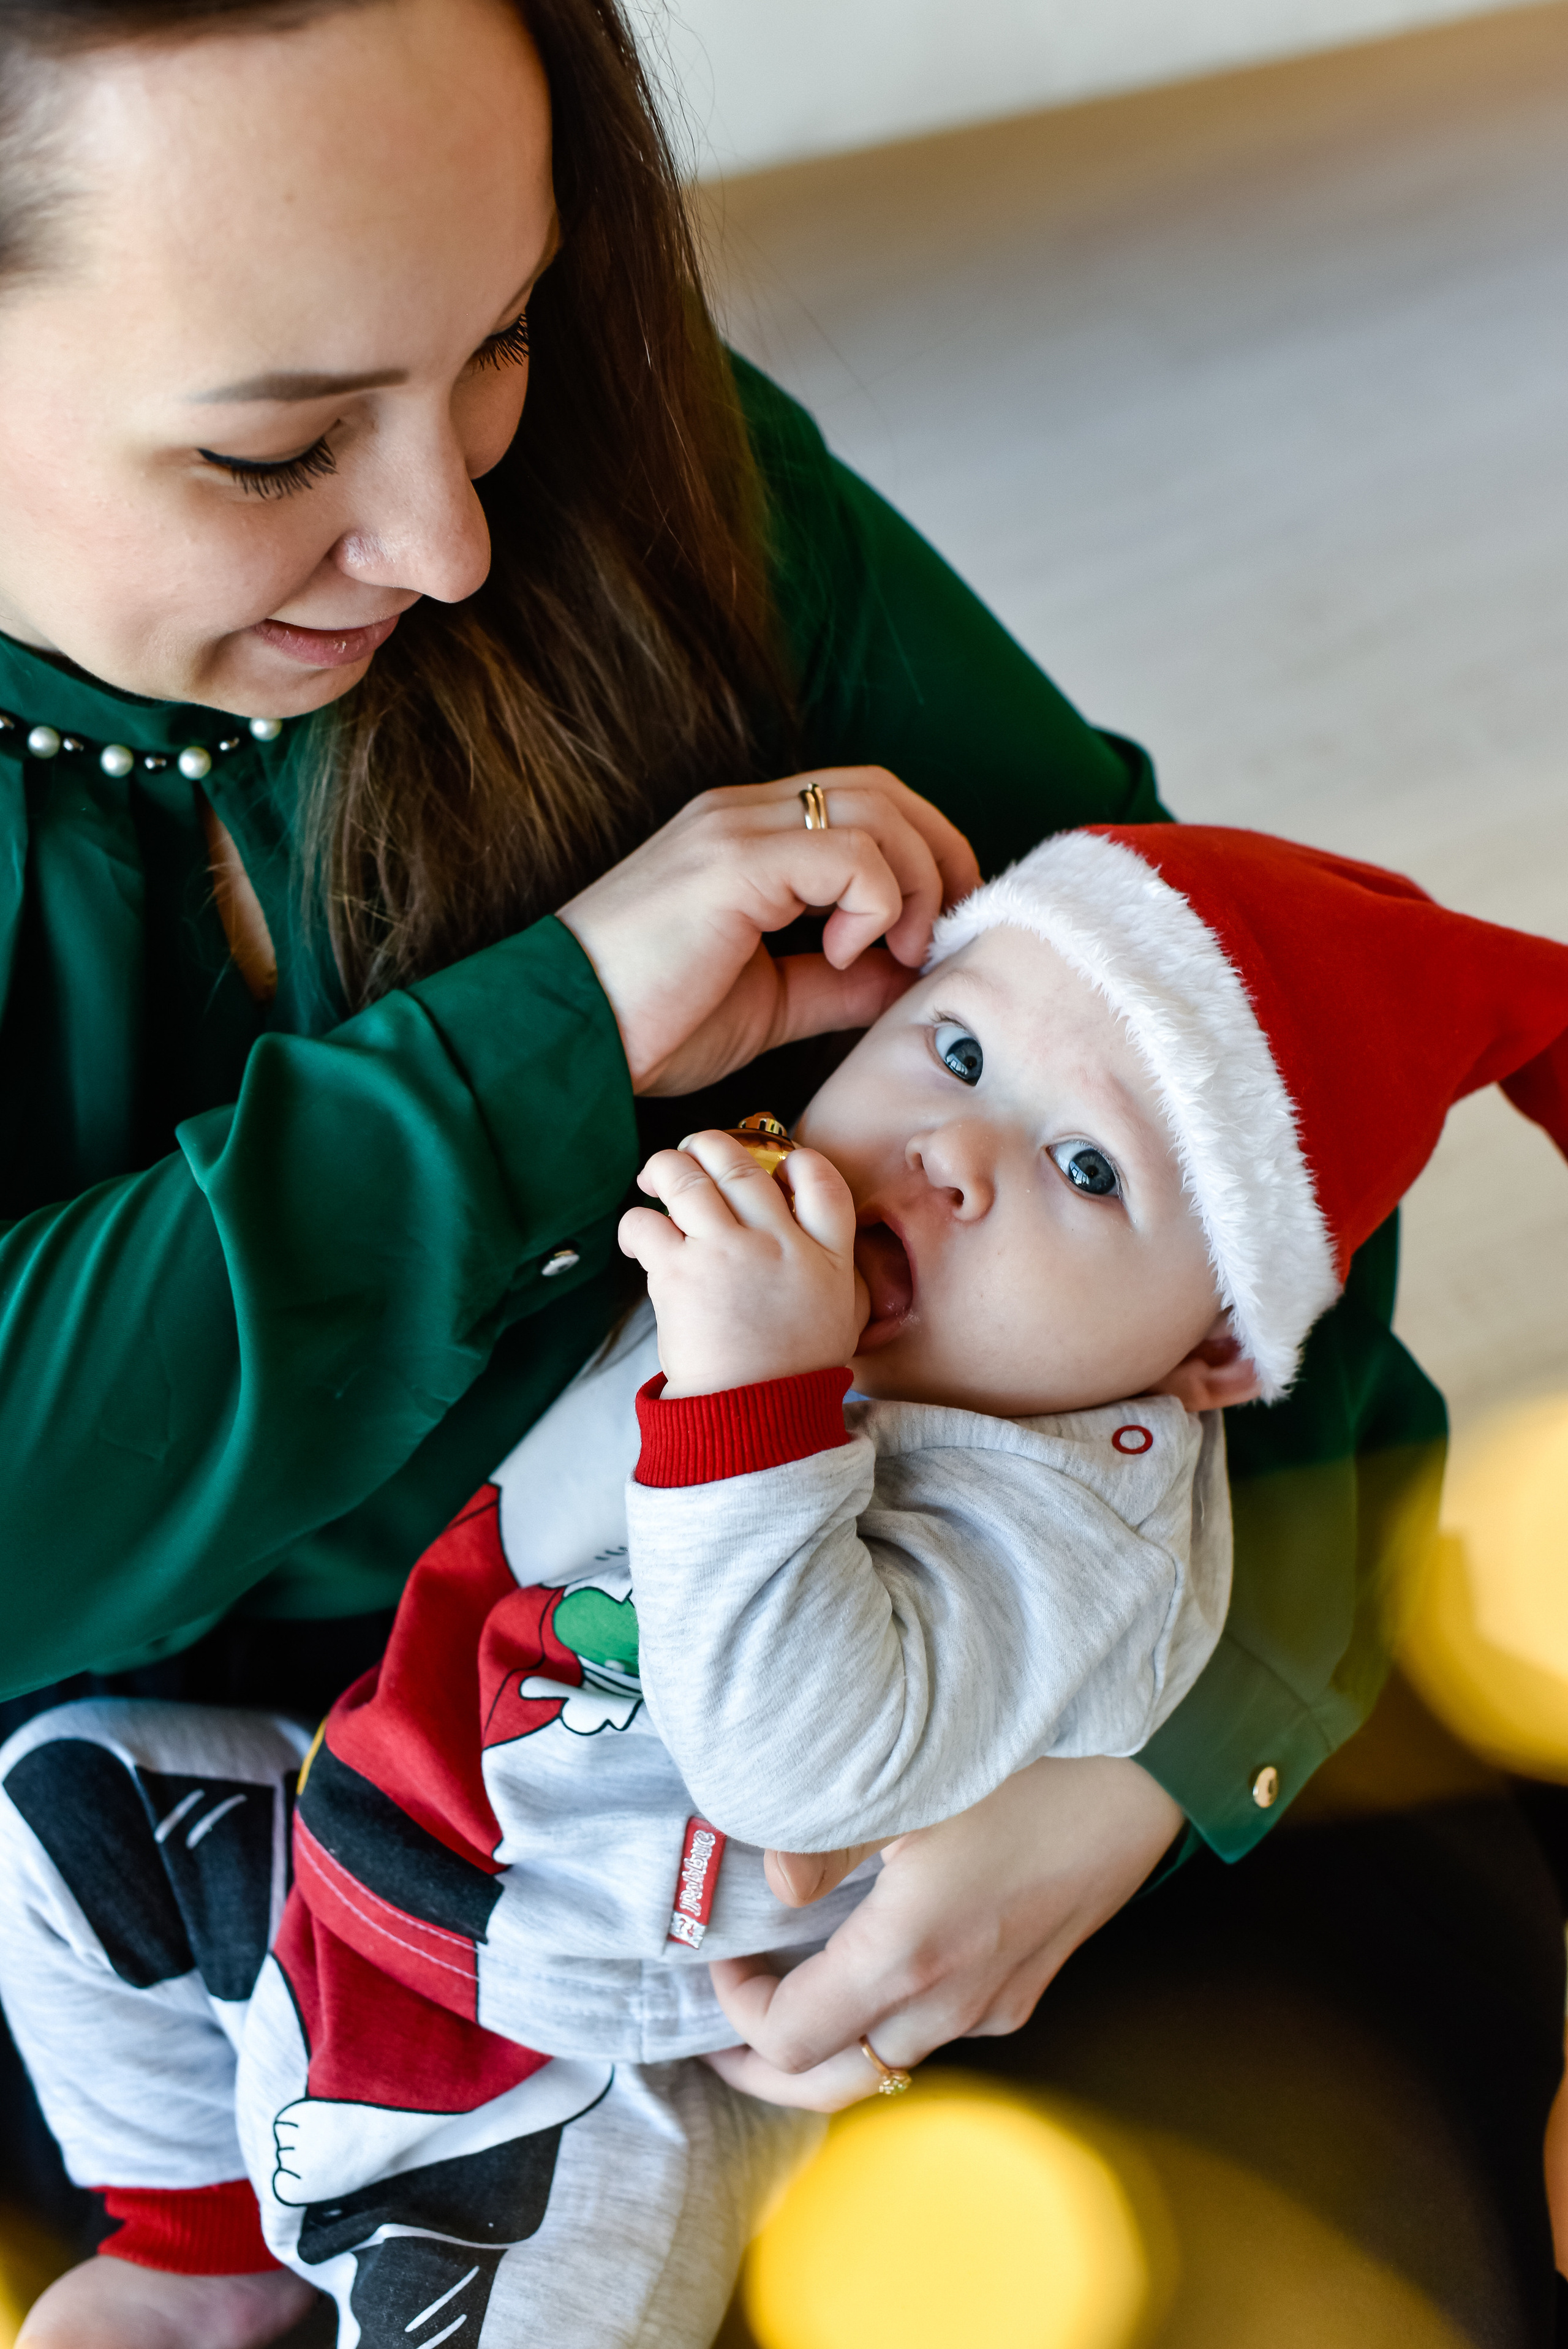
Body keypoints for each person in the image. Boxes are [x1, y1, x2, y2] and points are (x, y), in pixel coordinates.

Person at [0, 0, 1544, 2336]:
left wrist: (1178, 1744)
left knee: (1379, 2062)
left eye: (505, 331)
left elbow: (1220, 1051)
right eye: (275, 446)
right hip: (164, 1822)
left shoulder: (660, 475)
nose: (443, 532)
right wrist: (553, 1036)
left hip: (879, 1688)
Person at [9, 820, 1568, 2349]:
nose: (949, 1156)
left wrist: (750, 1381)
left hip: (582, 2059)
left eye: (1086, 1169)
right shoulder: (806, 1261)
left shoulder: (1069, 1522)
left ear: (1215, 1352)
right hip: (358, 1835)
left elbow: (794, 1772)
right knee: (53, 1811)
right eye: (952, 1053)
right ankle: (201, 2240)